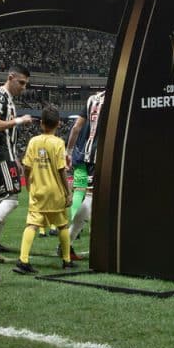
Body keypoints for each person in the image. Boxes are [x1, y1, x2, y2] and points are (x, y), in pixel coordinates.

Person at [0, 65, 35, 265]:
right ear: (10, 77)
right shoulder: (0, 96)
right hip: (0, 155)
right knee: (11, 200)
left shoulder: (7, 99)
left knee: (0, 202)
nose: (23, 87)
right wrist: (20, 120)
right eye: (21, 82)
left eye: (25, 84)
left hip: (8, 155)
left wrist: (17, 160)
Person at [13, 107, 74, 274]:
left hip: (38, 191)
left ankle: (23, 260)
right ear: (58, 124)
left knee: (32, 224)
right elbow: (62, 170)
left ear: (41, 124)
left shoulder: (33, 141)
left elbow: (26, 167)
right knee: (62, 226)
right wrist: (68, 192)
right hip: (55, 192)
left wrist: (29, 184)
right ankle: (67, 261)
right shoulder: (59, 143)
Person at [64, 89, 107, 261]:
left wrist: (69, 150)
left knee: (83, 193)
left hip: (82, 156)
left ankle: (69, 237)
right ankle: (77, 240)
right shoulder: (114, 97)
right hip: (100, 155)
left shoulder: (92, 99)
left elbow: (76, 127)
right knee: (90, 197)